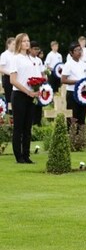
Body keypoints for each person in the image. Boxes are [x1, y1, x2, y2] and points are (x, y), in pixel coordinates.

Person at [9, 33, 41, 164]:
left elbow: (37, 77)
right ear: (19, 43)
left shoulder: (32, 59)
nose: (27, 43)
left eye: (28, 41)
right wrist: (27, 91)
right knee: (19, 127)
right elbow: (13, 80)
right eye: (24, 41)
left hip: (31, 95)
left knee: (28, 127)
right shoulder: (15, 58)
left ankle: (26, 154)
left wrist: (37, 90)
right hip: (19, 95)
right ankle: (18, 156)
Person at [61, 42, 86, 126]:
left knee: (82, 117)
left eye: (80, 50)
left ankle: (81, 137)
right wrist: (77, 82)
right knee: (72, 117)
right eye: (76, 50)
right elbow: (63, 80)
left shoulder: (84, 63)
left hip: (83, 93)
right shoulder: (68, 64)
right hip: (72, 93)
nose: (79, 52)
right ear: (71, 53)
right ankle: (72, 136)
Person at [29, 41, 46, 126]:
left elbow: (42, 73)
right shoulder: (27, 59)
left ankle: (38, 124)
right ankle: (31, 124)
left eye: (38, 49)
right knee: (31, 107)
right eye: (35, 49)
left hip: (39, 85)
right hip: (30, 86)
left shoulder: (39, 60)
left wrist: (44, 80)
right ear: (30, 49)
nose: (37, 51)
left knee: (39, 107)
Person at [0, 37, 16, 108]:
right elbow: (1, 69)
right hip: (7, 78)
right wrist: (10, 73)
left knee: (15, 96)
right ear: (8, 44)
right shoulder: (4, 55)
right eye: (13, 44)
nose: (15, 46)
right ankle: (9, 113)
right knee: (9, 97)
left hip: (16, 77)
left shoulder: (16, 54)